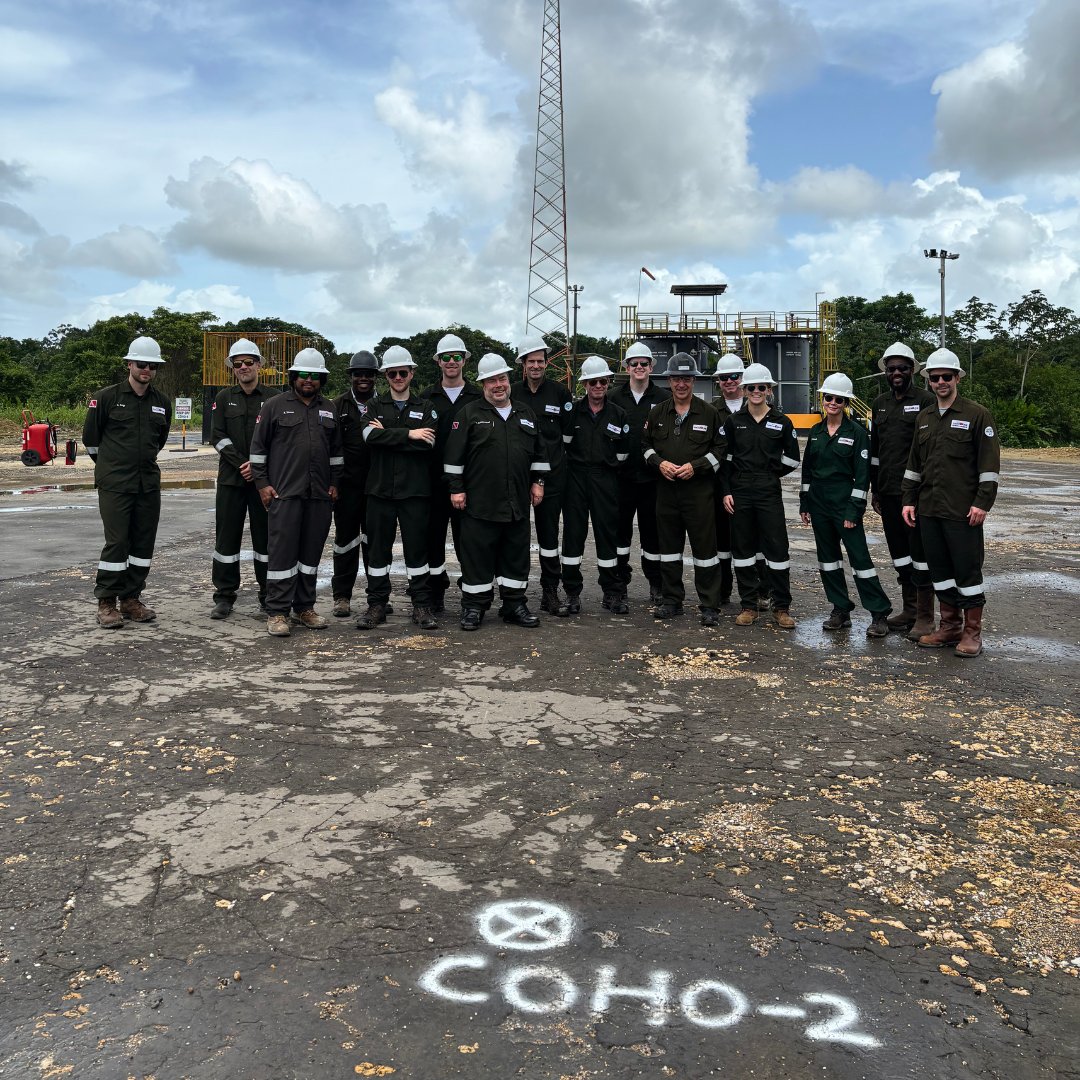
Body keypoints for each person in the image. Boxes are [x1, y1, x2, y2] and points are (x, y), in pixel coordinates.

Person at [902, 347, 1000, 657]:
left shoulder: (976, 414)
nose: (941, 382)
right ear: (928, 380)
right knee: (940, 570)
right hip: (929, 509)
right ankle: (949, 627)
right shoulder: (925, 417)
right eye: (935, 377)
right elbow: (914, 465)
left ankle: (972, 633)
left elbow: (989, 466)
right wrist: (908, 500)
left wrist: (982, 503)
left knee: (967, 572)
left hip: (963, 510)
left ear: (957, 378)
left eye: (947, 376)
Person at [444, 353, 549, 630]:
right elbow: (454, 457)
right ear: (483, 384)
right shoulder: (469, 414)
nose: (499, 385)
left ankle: (514, 604)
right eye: (492, 380)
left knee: (516, 556)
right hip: (480, 504)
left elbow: (539, 452)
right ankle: (473, 608)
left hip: (516, 502)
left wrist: (538, 481)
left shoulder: (525, 413)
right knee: (477, 557)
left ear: (509, 380)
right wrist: (457, 489)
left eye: (502, 378)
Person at [249, 348, 343, 637]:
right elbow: (258, 450)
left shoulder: (329, 408)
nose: (308, 380)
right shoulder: (275, 406)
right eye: (303, 374)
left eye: (314, 376)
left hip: (318, 496)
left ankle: (305, 608)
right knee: (281, 555)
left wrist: (335, 482)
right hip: (284, 494)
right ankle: (277, 612)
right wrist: (262, 484)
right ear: (293, 377)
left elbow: (336, 453)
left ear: (321, 379)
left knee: (310, 554)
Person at [83, 336, 173, 628]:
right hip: (115, 483)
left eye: (153, 366)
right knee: (118, 542)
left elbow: (158, 441)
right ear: (129, 364)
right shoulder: (106, 397)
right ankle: (107, 601)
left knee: (143, 543)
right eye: (142, 364)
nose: (147, 369)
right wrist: (112, 467)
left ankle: (131, 598)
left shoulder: (160, 402)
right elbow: (91, 441)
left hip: (147, 482)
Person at [799, 373, 892, 637]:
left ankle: (879, 613)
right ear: (823, 399)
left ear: (846, 402)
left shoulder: (858, 433)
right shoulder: (816, 432)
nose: (832, 402)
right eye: (828, 397)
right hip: (819, 505)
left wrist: (854, 510)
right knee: (828, 561)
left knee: (860, 561)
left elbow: (863, 476)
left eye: (838, 399)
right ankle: (840, 609)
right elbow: (808, 471)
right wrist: (804, 504)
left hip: (844, 506)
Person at [355, 346, 438, 631]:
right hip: (380, 492)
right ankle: (377, 604)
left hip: (415, 492)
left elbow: (429, 443)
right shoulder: (374, 407)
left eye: (403, 372)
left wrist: (387, 434)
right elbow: (368, 435)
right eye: (393, 373)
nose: (399, 377)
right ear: (385, 376)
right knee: (378, 554)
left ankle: (421, 606)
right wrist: (409, 435)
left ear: (412, 373)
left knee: (418, 553)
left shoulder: (425, 407)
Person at [642, 353, 726, 625]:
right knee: (669, 550)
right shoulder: (657, 413)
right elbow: (644, 447)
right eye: (676, 379)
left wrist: (697, 466)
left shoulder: (709, 413)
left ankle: (710, 605)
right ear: (669, 380)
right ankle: (671, 601)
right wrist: (659, 463)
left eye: (686, 379)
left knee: (705, 553)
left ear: (693, 381)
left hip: (698, 494)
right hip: (666, 494)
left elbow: (720, 451)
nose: (681, 384)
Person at [719, 362, 801, 628]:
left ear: (769, 390)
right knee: (742, 549)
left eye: (761, 387)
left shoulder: (781, 421)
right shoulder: (734, 422)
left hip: (768, 489)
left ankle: (781, 607)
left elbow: (792, 458)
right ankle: (748, 605)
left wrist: (771, 472)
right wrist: (727, 492)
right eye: (751, 387)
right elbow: (725, 461)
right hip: (740, 490)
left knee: (777, 548)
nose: (756, 391)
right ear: (744, 390)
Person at [870, 342, 937, 639]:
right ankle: (909, 609)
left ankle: (924, 616)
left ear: (913, 370)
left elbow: (929, 450)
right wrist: (875, 489)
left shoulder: (926, 401)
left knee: (920, 554)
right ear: (886, 372)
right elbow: (875, 451)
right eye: (892, 368)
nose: (897, 372)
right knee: (899, 554)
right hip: (887, 491)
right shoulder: (880, 403)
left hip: (915, 493)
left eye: (902, 368)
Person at [209, 338, 278, 620]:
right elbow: (218, 437)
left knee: (266, 541)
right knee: (227, 541)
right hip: (232, 481)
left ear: (259, 365)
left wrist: (259, 467)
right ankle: (224, 596)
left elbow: (279, 438)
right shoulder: (224, 398)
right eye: (238, 364)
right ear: (232, 369)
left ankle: (268, 595)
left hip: (264, 483)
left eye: (249, 362)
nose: (244, 367)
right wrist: (242, 464)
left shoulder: (274, 398)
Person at [560, 357, 630, 614]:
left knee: (607, 536)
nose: (599, 385)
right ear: (585, 384)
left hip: (605, 478)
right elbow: (564, 446)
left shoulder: (618, 414)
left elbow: (623, 454)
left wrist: (608, 472)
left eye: (603, 381)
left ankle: (612, 593)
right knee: (573, 536)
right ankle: (571, 594)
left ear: (608, 382)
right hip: (576, 478)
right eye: (593, 381)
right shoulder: (572, 413)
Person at [511, 333, 574, 614]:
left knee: (549, 538)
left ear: (547, 363)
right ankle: (514, 595)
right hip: (517, 477)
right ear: (523, 364)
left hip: (552, 478)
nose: (536, 366)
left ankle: (550, 593)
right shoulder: (512, 392)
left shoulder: (560, 394)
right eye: (531, 361)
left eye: (540, 361)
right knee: (516, 537)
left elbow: (569, 436)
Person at [420, 333, 482, 613]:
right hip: (433, 483)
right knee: (433, 540)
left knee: (467, 541)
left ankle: (472, 595)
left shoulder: (479, 398)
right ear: (438, 362)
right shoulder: (426, 398)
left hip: (469, 483)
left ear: (465, 360)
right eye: (446, 357)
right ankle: (435, 592)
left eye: (457, 356)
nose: (452, 362)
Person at [610, 341, 671, 606]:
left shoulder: (663, 398)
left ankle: (656, 585)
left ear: (651, 367)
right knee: (620, 537)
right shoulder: (614, 397)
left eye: (643, 364)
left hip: (652, 481)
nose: (638, 368)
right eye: (633, 364)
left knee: (652, 536)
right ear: (626, 367)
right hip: (621, 480)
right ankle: (620, 584)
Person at [331, 350, 381, 617]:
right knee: (345, 543)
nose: (363, 378)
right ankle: (342, 597)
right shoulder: (336, 406)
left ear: (376, 377)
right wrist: (334, 483)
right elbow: (330, 448)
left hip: (377, 487)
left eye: (369, 374)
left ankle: (377, 597)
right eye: (358, 374)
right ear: (351, 377)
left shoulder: (383, 405)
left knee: (376, 544)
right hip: (347, 487)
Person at [711, 352, 756, 609]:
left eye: (734, 377)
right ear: (718, 381)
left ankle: (757, 591)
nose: (729, 381)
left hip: (750, 484)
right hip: (720, 484)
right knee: (722, 541)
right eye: (724, 378)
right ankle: (723, 589)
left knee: (754, 540)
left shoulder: (758, 405)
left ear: (742, 378)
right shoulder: (710, 410)